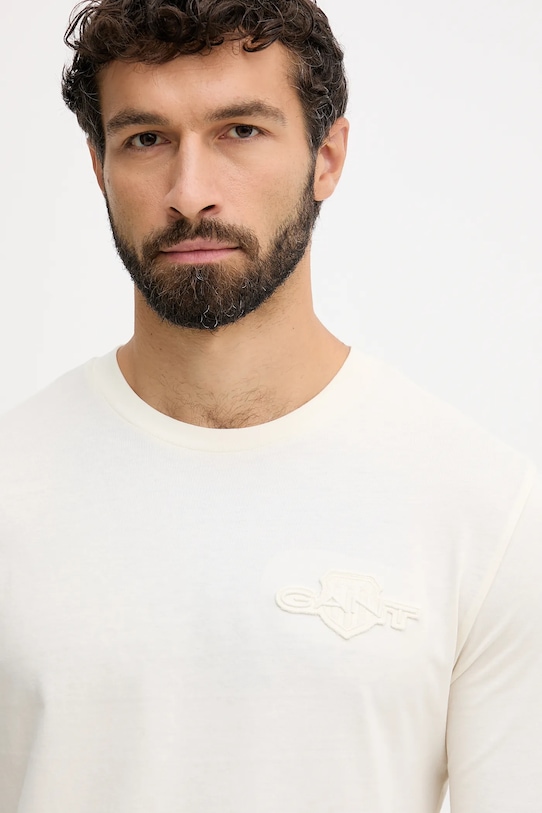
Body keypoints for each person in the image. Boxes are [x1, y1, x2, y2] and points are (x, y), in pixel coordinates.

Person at [0, 0, 540, 811]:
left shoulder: (483, 510)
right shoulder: (12, 487)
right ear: (98, 166)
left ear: (327, 157)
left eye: (240, 130)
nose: (190, 193)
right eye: (145, 139)